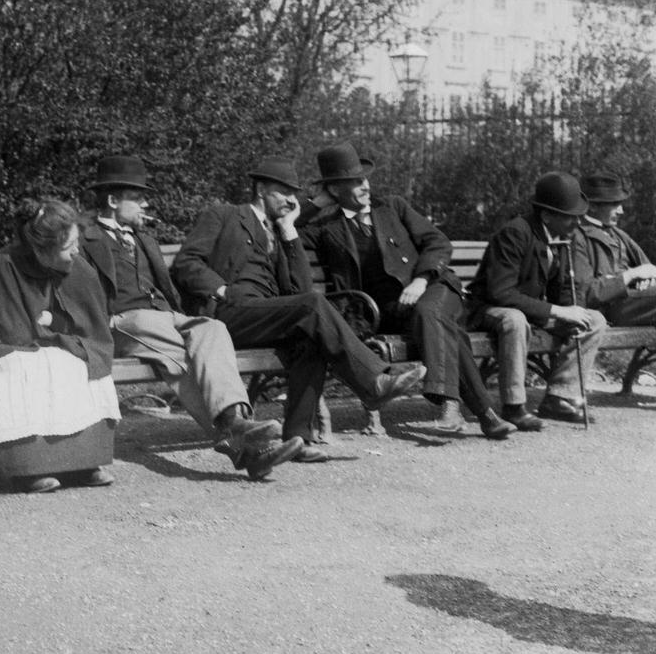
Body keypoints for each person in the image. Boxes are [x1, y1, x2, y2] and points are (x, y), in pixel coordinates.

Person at [170, 157, 426, 460]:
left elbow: (300, 291)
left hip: (266, 317)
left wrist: (290, 232)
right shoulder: (224, 215)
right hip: (228, 315)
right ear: (262, 189)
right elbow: (186, 264)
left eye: (295, 194)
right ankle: (372, 382)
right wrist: (223, 289)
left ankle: (297, 439)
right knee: (314, 306)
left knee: (310, 341)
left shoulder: (280, 232)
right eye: (284, 193)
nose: (292, 201)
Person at [77, 155, 302, 480]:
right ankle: (237, 432)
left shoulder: (146, 240)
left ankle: (241, 438)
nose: (145, 204)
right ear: (113, 201)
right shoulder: (85, 239)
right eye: (137, 198)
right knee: (175, 350)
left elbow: (170, 289)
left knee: (212, 328)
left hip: (164, 318)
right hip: (121, 322)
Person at [301, 143, 514, 440]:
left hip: (435, 288)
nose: (364, 187)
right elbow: (285, 229)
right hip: (386, 310)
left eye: (364, 180)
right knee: (442, 328)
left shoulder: (393, 207)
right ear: (334, 191)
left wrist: (421, 280)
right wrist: (315, 203)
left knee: (431, 312)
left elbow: (438, 243)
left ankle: (449, 404)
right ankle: (487, 415)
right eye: (354, 182)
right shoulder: (325, 226)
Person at [0, 198, 120, 493]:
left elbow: (90, 323)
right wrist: (46, 329)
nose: (76, 249)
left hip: (51, 339)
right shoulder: (7, 265)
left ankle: (82, 462)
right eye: (67, 246)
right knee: (23, 368)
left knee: (80, 363)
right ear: (40, 250)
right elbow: (9, 328)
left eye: (76, 241)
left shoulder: (78, 267)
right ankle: (27, 467)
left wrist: (57, 325)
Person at [466, 171, 608, 427]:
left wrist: (572, 310)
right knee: (515, 319)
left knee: (594, 319)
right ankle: (513, 406)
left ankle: (560, 398)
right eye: (571, 217)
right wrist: (558, 311)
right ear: (546, 215)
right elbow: (501, 293)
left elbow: (564, 287)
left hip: (529, 310)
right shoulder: (515, 234)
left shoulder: (564, 236)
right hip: (489, 309)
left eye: (579, 216)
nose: (578, 223)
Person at [574, 169, 656, 326]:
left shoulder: (618, 234)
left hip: (636, 301)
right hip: (608, 309)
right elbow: (586, 294)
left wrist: (647, 278)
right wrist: (631, 275)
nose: (621, 211)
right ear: (592, 206)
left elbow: (649, 269)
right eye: (614, 204)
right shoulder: (577, 237)